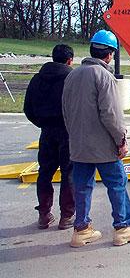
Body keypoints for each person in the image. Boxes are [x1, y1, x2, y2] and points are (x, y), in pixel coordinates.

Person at [62, 30, 130, 248]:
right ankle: (123, 227)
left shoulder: (73, 75)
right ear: (110, 55)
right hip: (104, 147)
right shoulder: (104, 76)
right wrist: (121, 141)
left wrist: (75, 137)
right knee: (117, 184)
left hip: (79, 146)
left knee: (82, 187)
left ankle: (81, 230)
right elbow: (111, 115)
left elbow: (66, 111)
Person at [24, 44, 75, 230]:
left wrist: (42, 124)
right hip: (67, 131)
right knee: (68, 173)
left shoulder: (37, 79)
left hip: (46, 131)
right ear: (70, 60)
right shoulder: (71, 78)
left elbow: (28, 108)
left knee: (45, 173)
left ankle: (44, 214)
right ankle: (67, 216)